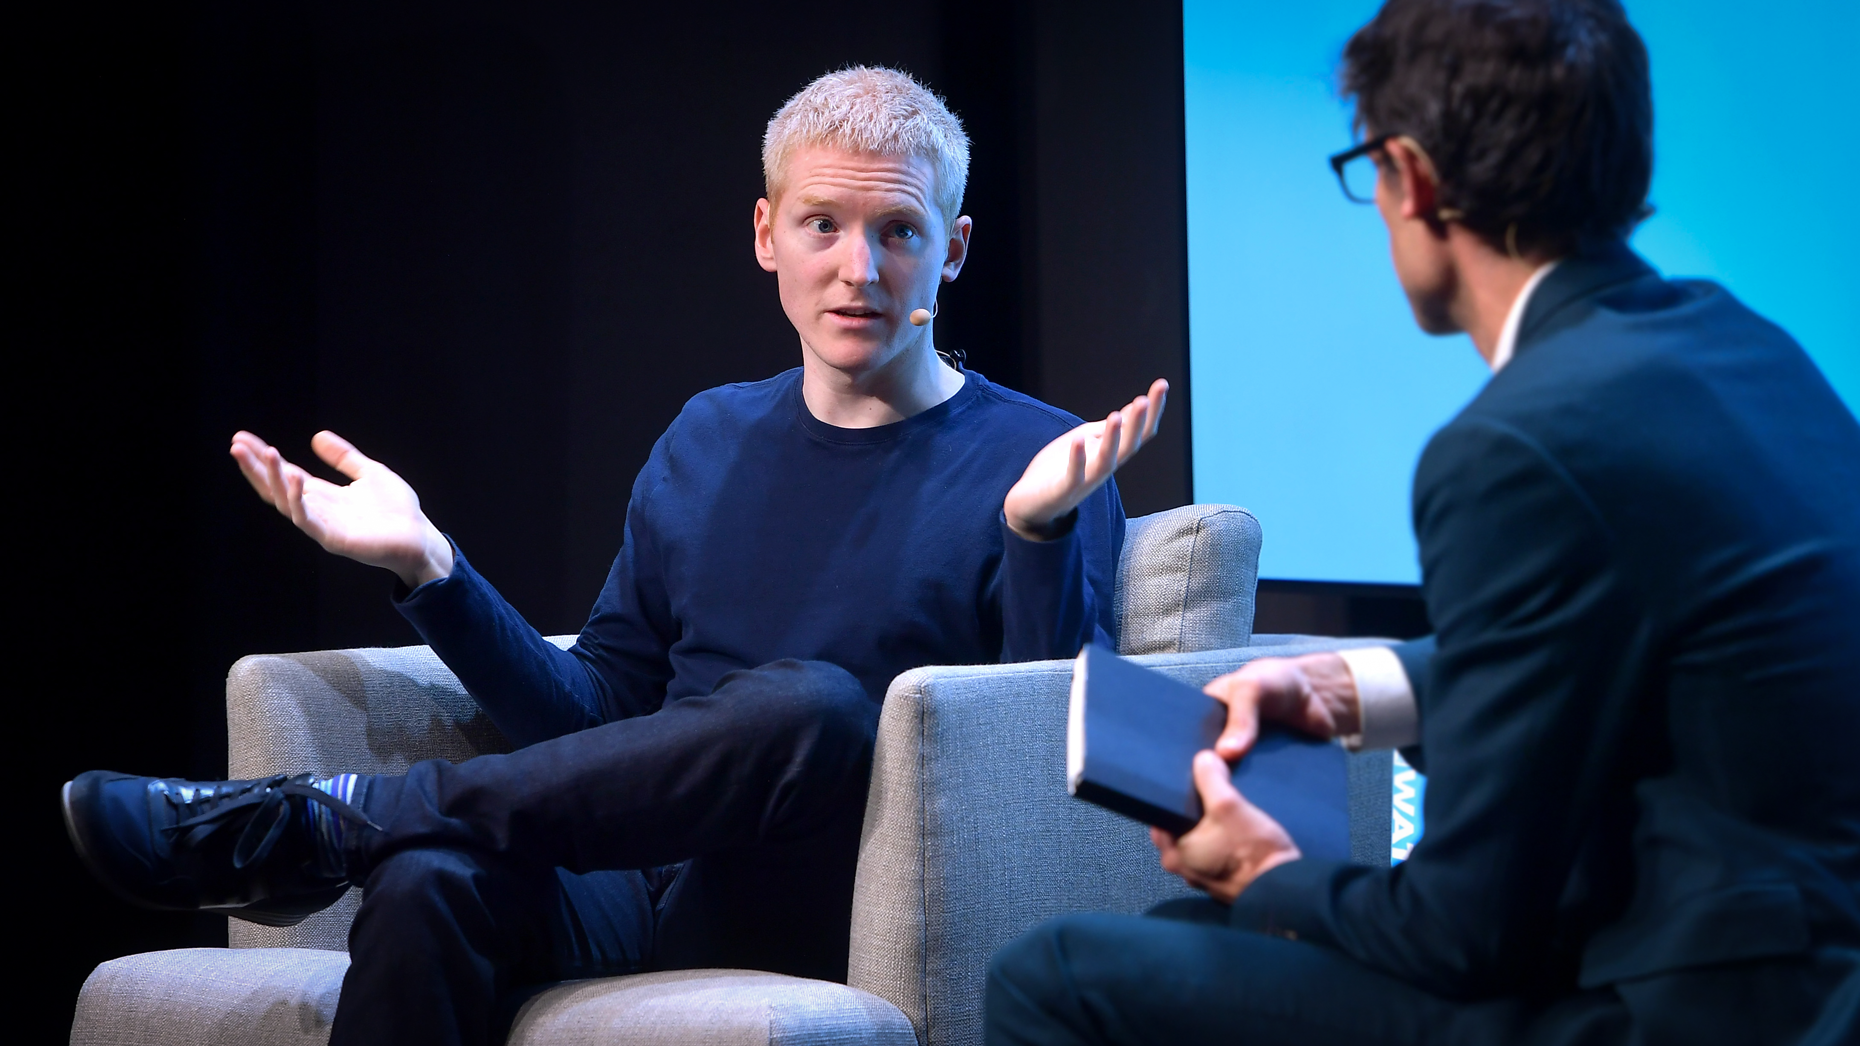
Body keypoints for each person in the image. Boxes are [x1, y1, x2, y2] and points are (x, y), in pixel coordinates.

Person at [62, 67, 1169, 1046]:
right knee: (430, 881)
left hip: (832, 884)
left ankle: (332, 815)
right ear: (764, 233)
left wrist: (1038, 533)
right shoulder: (710, 434)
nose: (859, 270)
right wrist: (432, 570)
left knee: (817, 707)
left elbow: (1060, 764)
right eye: (822, 225)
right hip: (634, 877)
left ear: (954, 246)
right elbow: (596, 718)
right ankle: (363, 825)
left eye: (899, 231)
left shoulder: (1042, 456)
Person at [984, 1, 1860, 1043]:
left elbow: (1467, 929)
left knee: (1057, 971)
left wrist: (1265, 867)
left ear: (1413, 177)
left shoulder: (1517, 444)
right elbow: (1621, 654)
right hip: (1810, 972)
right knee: (1189, 930)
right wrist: (1354, 684)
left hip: (1678, 1002)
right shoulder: (1748, 347)